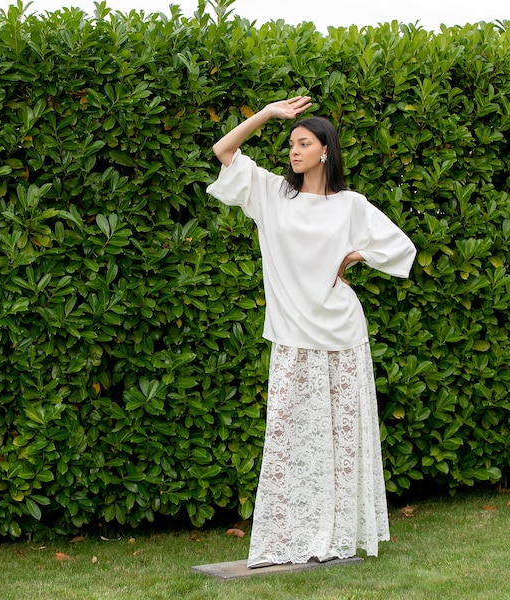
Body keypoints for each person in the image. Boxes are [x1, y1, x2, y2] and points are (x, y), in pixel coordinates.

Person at [206, 96, 416, 568]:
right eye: (290, 144)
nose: (293, 151)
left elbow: (402, 248)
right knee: (287, 437)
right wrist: (267, 114)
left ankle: (338, 535)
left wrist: (358, 255)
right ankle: (287, 538)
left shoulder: (351, 205)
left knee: (341, 442)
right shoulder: (271, 194)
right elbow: (224, 151)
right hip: (292, 336)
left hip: (343, 334)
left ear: (325, 151)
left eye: (303, 143)